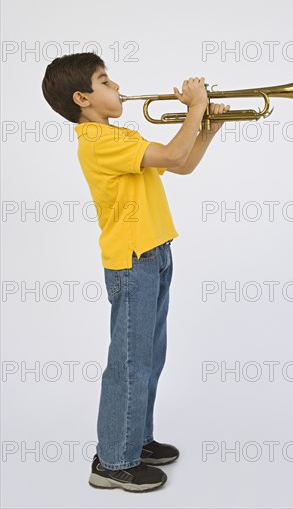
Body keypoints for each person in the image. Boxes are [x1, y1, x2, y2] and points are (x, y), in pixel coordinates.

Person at [41, 52, 230, 493]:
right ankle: (113, 461)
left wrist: (209, 127)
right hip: (133, 260)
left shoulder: (120, 135)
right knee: (130, 362)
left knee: (149, 356)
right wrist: (196, 109)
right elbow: (173, 150)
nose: (117, 86)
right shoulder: (97, 140)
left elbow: (180, 162)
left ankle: (134, 440)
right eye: (105, 81)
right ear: (83, 98)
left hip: (156, 251)